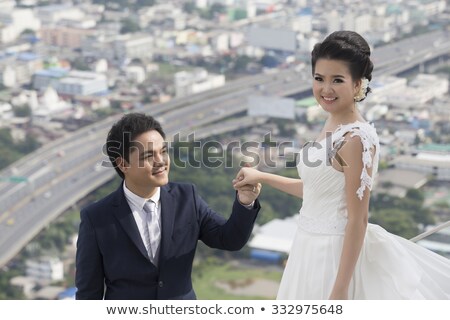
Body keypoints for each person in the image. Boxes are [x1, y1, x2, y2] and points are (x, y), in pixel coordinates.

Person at [233, 30, 450, 299]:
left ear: (358, 84)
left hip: (333, 256)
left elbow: (358, 220)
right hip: (306, 246)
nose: (326, 89)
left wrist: (340, 289)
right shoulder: (333, 122)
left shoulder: (356, 138)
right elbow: (318, 192)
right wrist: (262, 176)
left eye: (337, 80)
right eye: (319, 79)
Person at [75, 113, 261, 300]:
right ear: (123, 164)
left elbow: (230, 239)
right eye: (149, 155)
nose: (161, 161)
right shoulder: (96, 218)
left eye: (163, 151)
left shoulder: (187, 198)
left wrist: (245, 202)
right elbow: (88, 294)